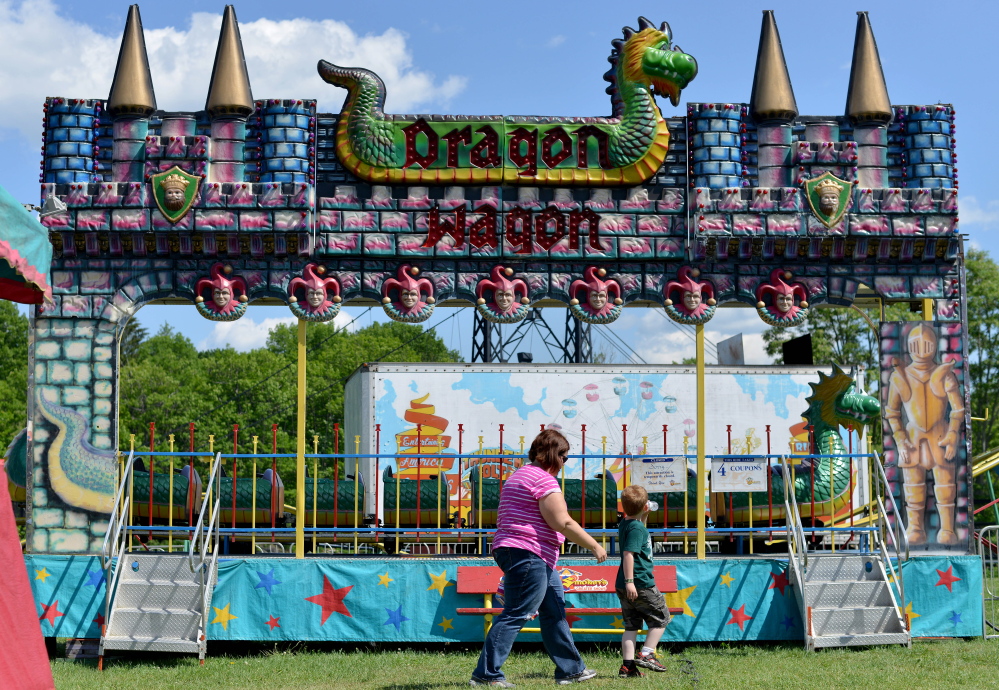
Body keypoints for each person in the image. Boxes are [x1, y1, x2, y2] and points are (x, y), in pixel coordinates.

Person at [470, 428, 607, 687]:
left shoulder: (520, 475)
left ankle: (571, 670)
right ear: (552, 454)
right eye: (564, 456)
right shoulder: (543, 480)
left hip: (527, 553)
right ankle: (486, 675)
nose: (565, 463)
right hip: (529, 552)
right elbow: (562, 522)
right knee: (516, 613)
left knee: (554, 610)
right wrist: (594, 546)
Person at [615, 485, 670, 678]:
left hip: (623, 584)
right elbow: (629, 554)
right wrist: (631, 581)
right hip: (639, 582)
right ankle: (647, 653)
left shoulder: (626, 523)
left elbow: (638, 525)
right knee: (661, 617)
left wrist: (643, 515)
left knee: (631, 625)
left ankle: (628, 667)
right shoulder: (637, 528)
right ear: (644, 505)